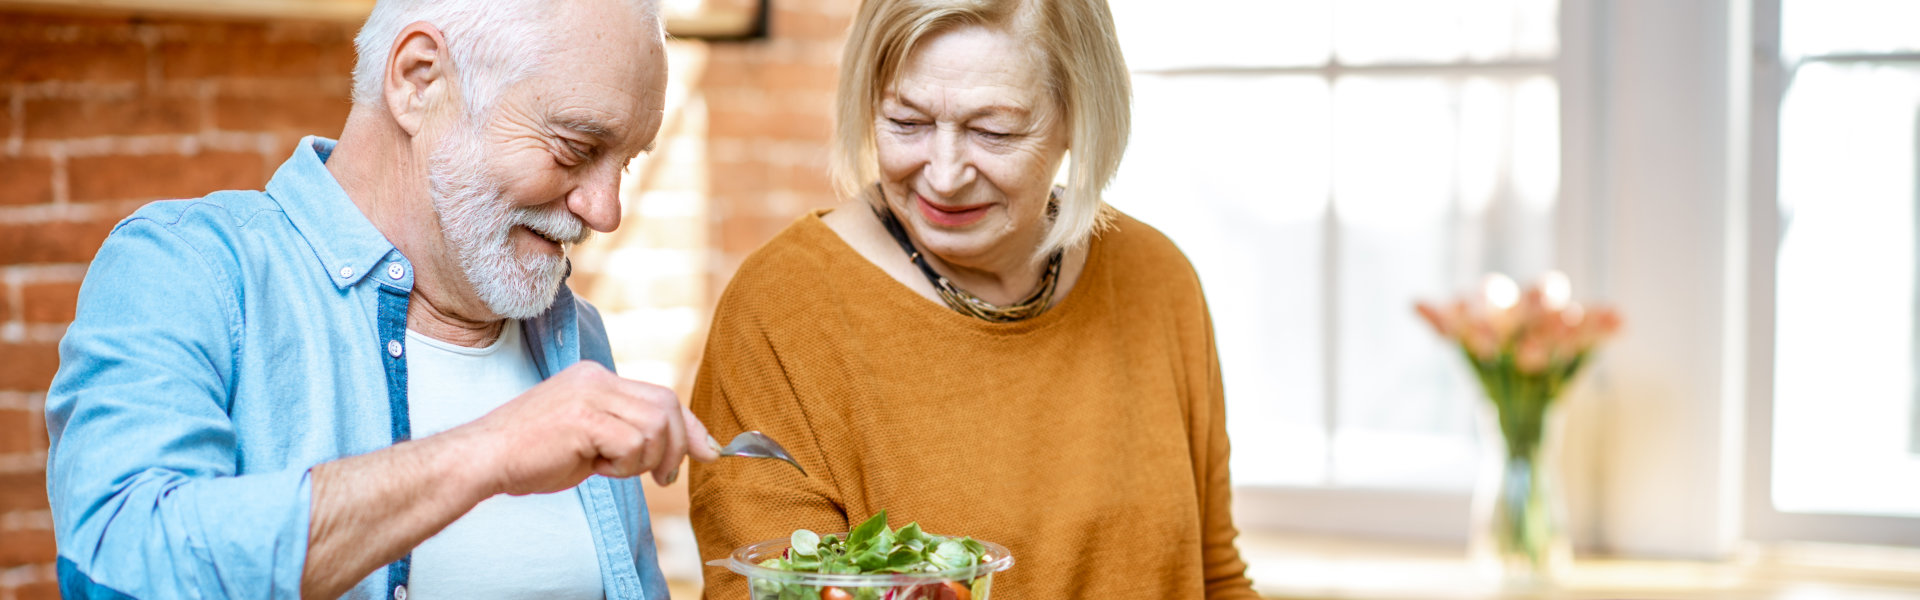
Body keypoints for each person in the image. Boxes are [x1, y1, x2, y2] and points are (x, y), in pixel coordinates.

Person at [43, 1, 717, 598]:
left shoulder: (571, 333)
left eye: (624, 162)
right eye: (575, 148)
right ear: (418, 79)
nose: (606, 211)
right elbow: (118, 563)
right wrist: (490, 450)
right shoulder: (188, 268)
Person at [685, 0, 1259, 597]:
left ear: (1080, 118)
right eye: (906, 122)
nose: (945, 174)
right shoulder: (782, 308)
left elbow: (1214, 573)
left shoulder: (1158, 279)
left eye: (994, 131)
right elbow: (766, 585)